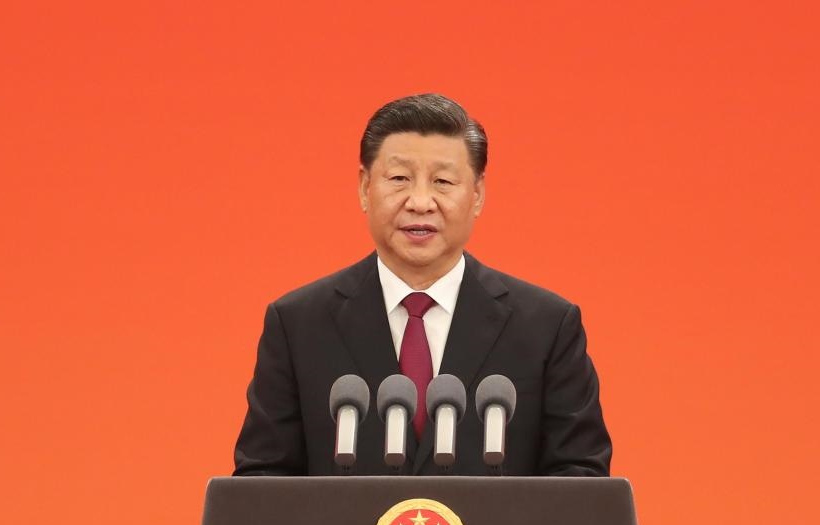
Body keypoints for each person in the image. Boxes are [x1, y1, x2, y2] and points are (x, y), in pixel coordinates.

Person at [234, 94, 611, 476]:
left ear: (477, 195)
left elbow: (581, 479)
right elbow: (261, 480)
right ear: (365, 188)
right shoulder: (298, 325)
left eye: (442, 182)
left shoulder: (546, 327)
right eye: (399, 179)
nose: (419, 202)